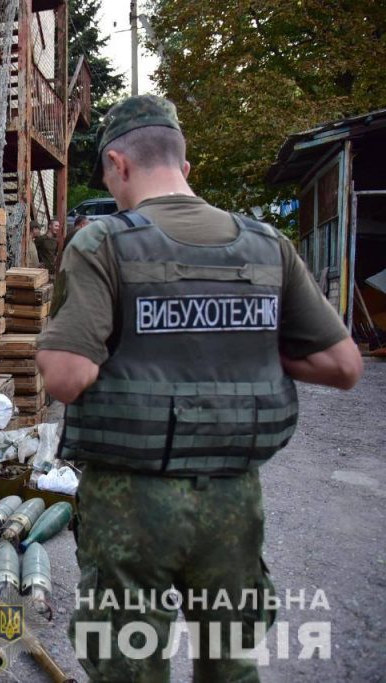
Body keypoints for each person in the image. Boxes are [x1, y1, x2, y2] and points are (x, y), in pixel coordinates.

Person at [36, 95, 363, 682]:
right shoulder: (267, 246)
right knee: (231, 664)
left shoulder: (101, 244)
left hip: (128, 504)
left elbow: (66, 377)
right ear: (184, 167)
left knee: (128, 665)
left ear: (119, 164)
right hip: (233, 502)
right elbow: (343, 365)